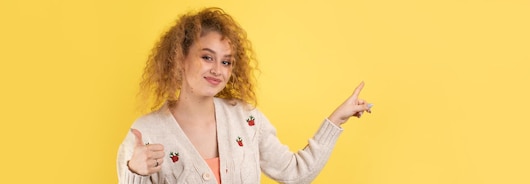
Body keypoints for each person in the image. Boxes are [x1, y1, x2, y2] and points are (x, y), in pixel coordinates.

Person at [116, 7, 372, 184]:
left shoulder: (246, 119)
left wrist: (335, 120)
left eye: (226, 62)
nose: (217, 70)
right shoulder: (146, 134)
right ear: (180, 59)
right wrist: (134, 172)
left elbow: (296, 174)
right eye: (207, 57)